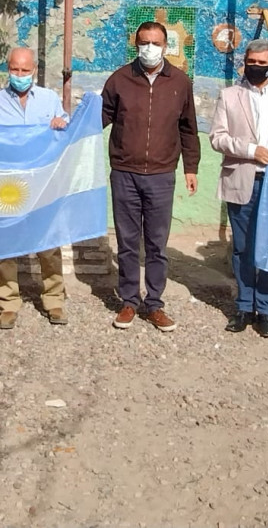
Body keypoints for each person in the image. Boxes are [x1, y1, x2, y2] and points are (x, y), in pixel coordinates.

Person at [101, 20, 200, 332]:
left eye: (155, 43)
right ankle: (129, 301)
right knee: (128, 243)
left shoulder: (180, 82)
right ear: (136, 45)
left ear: (165, 45)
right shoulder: (119, 80)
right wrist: (67, 130)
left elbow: (188, 128)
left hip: (161, 175)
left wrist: (191, 167)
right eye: (144, 42)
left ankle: (154, 303)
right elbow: (99, 118)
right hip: (124, 174)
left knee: (157, 244)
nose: (149, 48)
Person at [210, 39, 268, 338]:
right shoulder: (229, 96)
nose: (256, 67)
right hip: (243, 178)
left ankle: (266, 309)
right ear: (244, 62)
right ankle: (244, 306)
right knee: (244, 248)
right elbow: (217, 138)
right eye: (252, 62)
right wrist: (251, 150)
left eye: (263, 63)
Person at [0, 47, 69, 329]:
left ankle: (54, 300)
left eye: (25, 70)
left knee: (48, 244)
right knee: (5, 244)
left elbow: (66, 126)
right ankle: (8, 303)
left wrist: (61, 122)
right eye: (14, 69)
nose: (19, 75)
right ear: (8, 69)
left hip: (42, 181)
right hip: (7, 183)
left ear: (34, 70)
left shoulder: (49, 99)